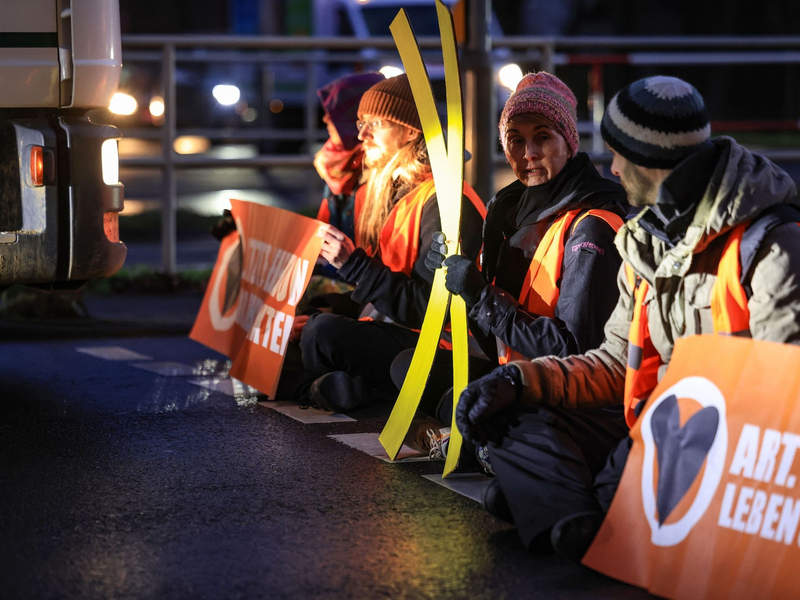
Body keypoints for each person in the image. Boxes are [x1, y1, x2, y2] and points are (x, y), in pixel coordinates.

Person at [454, 76, 800, 559]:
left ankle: (586, 518)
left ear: (649, 161)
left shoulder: (770, 244)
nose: (611, 168)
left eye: (619, 155)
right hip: (650, 430)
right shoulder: (644, 241)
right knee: (509, 415)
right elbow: (616, 362)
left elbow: (785, 401)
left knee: (520, 494)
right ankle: (586, 523)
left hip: (723, 447)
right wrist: (521, 380)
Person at [395, 72, 628, 457]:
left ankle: (480, 443)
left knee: (469, 399)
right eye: (516, 141)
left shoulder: (593, 227)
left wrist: (480, 295)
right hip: (522, 377)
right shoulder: (511, 212)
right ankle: (478, 440)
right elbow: (496, 342)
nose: (528, 154)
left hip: (570, 396)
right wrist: (454, 280)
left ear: (569, 143)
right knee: (409, 368)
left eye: (543, 137)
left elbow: (574, 351)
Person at [295, 73, 487, 412]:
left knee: (322, 334)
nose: (362, 135)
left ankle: (328, 387)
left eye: (374, 124)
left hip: (437, 348)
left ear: (411, 130)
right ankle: (340, 387)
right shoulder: (395, 192)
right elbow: (381, 292)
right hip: (393, 328)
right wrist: (332, 306)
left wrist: (353, 265)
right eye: (360, 123)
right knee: (301, 324)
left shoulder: (444, 200)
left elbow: (429, 308)